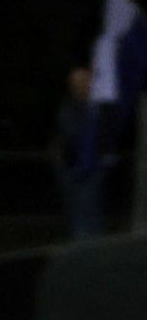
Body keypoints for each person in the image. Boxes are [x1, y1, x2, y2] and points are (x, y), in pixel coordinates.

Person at [54, 67, 103, 239]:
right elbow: (69, 134)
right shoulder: (68, 107)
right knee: (74, 212)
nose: (82, 86)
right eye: (77, 83)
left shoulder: (97, 108)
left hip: (90, 168)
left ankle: (91, 247)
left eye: (85, 81)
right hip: (70, 167)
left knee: (90, 210)